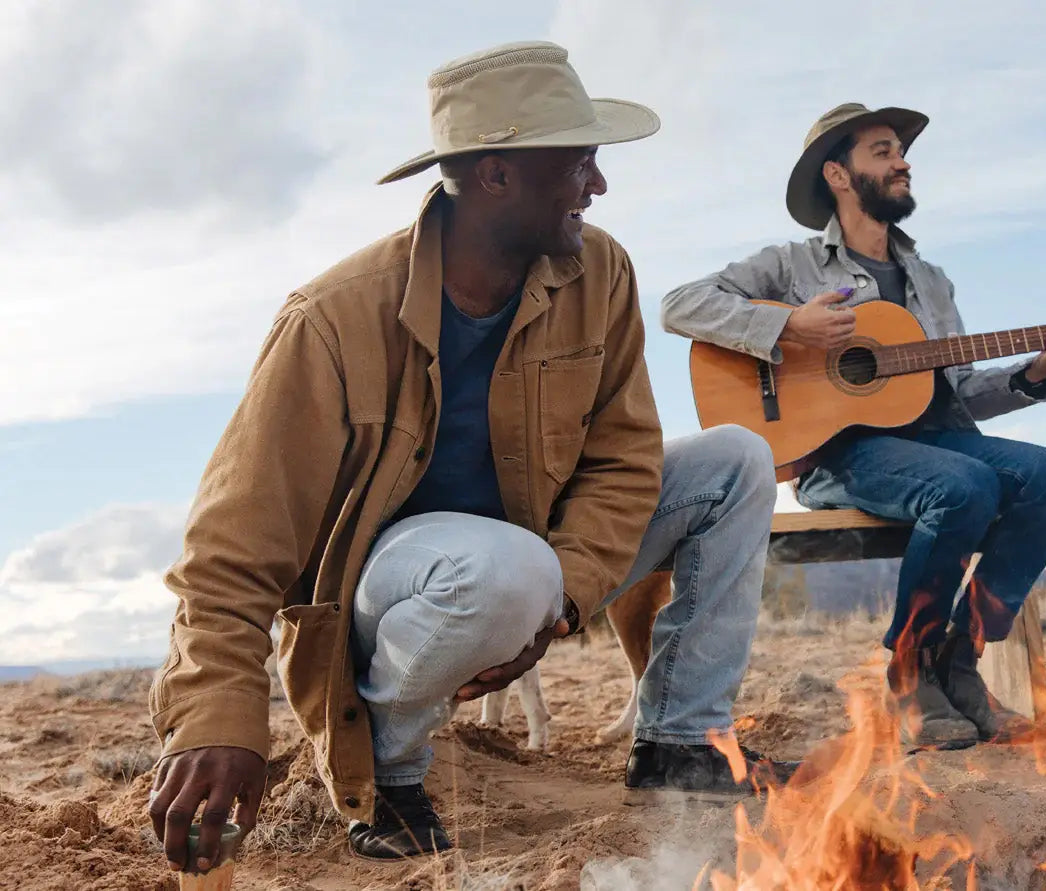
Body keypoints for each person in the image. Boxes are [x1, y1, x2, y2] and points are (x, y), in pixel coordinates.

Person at [145, 41, 797, 869]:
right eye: (581, 162)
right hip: (401, 588)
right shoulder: (332, 320)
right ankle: (390, 772)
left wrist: (563, 596)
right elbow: (229, 551)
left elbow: (625, 455)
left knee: (737, 460)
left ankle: (679, 740)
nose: (598, 186)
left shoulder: (601, 270)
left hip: (535, 558)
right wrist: (215, 719)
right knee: (505, 570)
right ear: (496, 175)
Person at [661, 103, 1046, 750]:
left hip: (938, 446)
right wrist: (787, 325)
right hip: (837, 454)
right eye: (884, 151)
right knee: (964, 486)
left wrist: (1035, 371)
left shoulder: (931, 280)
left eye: (901, 150)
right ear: (838, 174)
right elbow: (679, 305)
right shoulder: (792, 265)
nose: (903, 161)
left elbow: (956, 391)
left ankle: (960, 658)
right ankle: (908, 670)